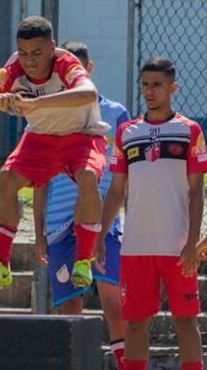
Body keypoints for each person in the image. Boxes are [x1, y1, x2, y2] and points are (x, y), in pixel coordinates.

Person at [0, 16, 109, 290]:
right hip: (40, 139)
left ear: (52, 47)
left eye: (37, 53)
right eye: (24, 53)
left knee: (87, 177)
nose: (29, 61)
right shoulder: (12, 68)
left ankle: (84, 259)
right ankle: (1, 263)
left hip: (81, 136)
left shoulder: (66, 63)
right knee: (6, 179)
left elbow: (88, 93)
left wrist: (37, 104)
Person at [100, 57, 206, 370]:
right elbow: (117, 190)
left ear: (172, 87)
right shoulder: (126, 133)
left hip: (177, 247)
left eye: (157, 85)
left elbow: (197, 190)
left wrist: (191, 240)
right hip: (135, 247)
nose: (150, 91)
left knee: (186, 321)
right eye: (145, 84)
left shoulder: (190, 130)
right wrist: (100, 235)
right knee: (134, 323)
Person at [33, 41, 127, 369]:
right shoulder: (47, 115)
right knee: (70, 308)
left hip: (103, 225)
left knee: (113, 303)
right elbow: (40, 179)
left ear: (89, 70)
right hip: (60, 228)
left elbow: (120, 176)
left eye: (79, 72)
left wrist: (109, 223)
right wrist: (38, 233)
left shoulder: (115, 114)